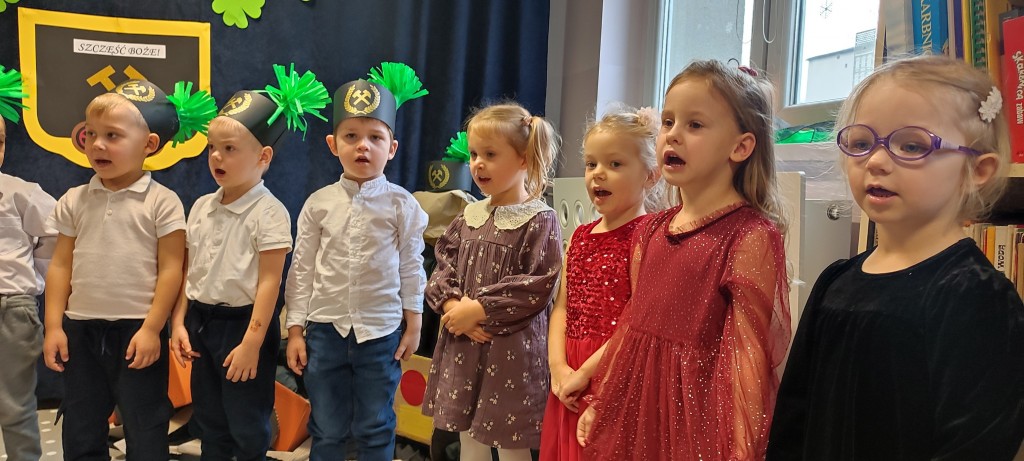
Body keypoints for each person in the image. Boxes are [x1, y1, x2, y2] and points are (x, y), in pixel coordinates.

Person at [767, 55, 1024, 460]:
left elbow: (976, 442)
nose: (876, 161)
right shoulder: (835, 281)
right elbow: (793, 417)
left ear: (978, 169)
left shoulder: (976, 296)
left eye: (911, 145)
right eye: (861, 143)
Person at [576, 60, 791, 460]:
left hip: (696, 425)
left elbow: (748, 357)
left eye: (694, 125)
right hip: (634, 410)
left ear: (741, 147)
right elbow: (631, 324)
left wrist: (743, 450)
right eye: (668, 122)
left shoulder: (749, 236)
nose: (673, 135)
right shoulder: (649, 230)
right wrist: (602, 400)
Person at [42, 79, 214, 461]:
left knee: (145, 422)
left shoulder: (162, 202)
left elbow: (172, 270)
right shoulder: (74, 200)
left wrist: (152, 328)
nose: (97, 145)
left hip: (137, 329)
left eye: (113, 136)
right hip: (81, 328)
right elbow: (60, 265)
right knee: (81, 424)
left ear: (148, 144)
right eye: (91, 134)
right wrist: (54, 326)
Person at [169, 64, 329, 461]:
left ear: (263, 156)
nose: (216, 156)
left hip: (244, 325)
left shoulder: (269, 212)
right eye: (212, 147)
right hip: (202, 321)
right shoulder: (201, 206)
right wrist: (179, 323)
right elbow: (192, 271)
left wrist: (252, 343)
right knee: (209, 416)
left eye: (230, 149)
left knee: (246, 419)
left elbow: (270, 283)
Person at [284, 62, 429, 461]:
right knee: (327, 427)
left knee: (375, 426)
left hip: (381, 333)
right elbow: (302, 270)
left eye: (375, 137)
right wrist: (294, 331)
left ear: (392, 148)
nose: (363, 146)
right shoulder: (319, 203)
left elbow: (411, 266)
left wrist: (414, 322)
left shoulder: (402, 205)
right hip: (325, 331)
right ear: (333, 144)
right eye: (351, 136)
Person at [422, 102, 563, 461]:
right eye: (473, 155)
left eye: (490, 154)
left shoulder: (539, 219)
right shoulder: (468, 215)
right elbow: (443, 263)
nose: (478, 164)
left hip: (510, 349)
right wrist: (453, 305)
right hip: (465, 342)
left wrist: (480, 310)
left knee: (510, 440)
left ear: (523, 160)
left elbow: (538, 282)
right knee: (469, 435)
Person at [539, 104, 664, 461]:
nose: (598, 174)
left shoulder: (649, 237)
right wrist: (558, 367)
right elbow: (562, 306)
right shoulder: (580, 235)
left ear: (650, 175)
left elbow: (636, 322)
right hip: (568, 372)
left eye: (615, 164)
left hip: (612, 371)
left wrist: (583, 374)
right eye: (591, 164)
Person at [0, 64, 56, 461]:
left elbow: (54, 235)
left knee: (16, 405)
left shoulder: (19, 192)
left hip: (11, 309)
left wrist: (36, 277)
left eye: (0, 141)